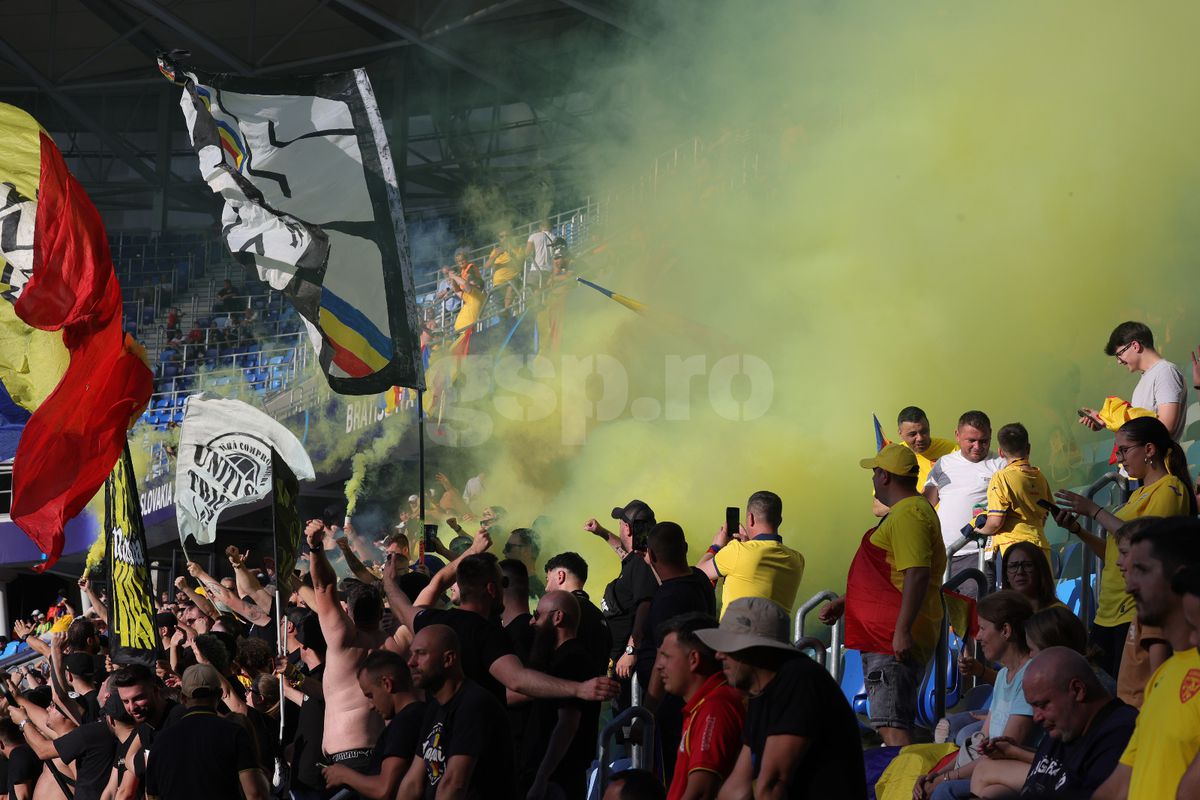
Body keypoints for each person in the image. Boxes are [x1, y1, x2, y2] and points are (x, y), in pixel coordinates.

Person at [820, 443, 946, 746]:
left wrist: (901, 631)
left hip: (891, 640)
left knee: (892, 726)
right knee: (887, 723)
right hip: (884, 636)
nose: (873, 479)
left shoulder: (909, 515)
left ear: (885, 476)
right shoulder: (908, 513)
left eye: (875, 472)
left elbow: (917, 573)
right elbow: (895, 578)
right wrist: (846, 603)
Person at [1052, 416, 1195, 677]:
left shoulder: (1170, 488)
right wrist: (1078, 531)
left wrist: (1094, 511)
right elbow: (1113, 552)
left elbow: (1144, 541)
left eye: (1125, 450)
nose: (1119, 458)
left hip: (1134, 611)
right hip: (1106, 612)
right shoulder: (1136, 495)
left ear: (1149, 449)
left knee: (1128, 697)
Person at [697, 597, 867, 799]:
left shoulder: (799, 680)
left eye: (729, 646)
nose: (719, 655)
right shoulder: (761, 691)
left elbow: (772, 784)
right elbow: (737, 788)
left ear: (758, 649)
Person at [1093, 517, 1200, 800]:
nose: (1130, 586)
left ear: (1180, 575)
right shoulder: (1164, 676)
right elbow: (1120, 783)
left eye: (1142, 569)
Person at [969, 647, 1137, 799]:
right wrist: (1016, 751)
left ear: (1078, 690)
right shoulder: (1065, 727)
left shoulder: (1119, 735)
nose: (1036, 717)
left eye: (1041, 705)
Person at [915, 591, 1037, 799]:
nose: (978, 636)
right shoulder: (1003, 676)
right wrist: (937, 774)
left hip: (1007, 775)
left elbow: (1002, 753)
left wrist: (945, 779)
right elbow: (983, 740)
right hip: (985, 767)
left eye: (982, 628)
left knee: (945, 791)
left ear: (1006, 630)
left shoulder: (1030, 677)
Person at [398, 624, 515, 799]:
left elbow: (454, 784)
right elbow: (413, 782)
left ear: (448, 659)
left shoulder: (473, 704)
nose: (411, 662)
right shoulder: (434, 708)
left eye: (421, 654)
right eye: (411, 653)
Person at [637, 522, 716, 776]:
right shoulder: (700, 579)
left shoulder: (667, 599)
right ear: (685, 548)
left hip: (674, 704)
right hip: (697, 693)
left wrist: (647, 709)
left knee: (676, 773)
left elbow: (664, 659)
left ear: (651, 555)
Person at [144, 664, 269, 800]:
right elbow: (255, 794)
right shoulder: (234, 733)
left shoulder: (161, 740)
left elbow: (152, 795)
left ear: (183, 698)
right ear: (219, 694)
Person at [655, 613, 744, 800]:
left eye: (666, 656)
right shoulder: (704, 705)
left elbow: (701, 792)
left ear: (694, 659)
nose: (659, 666)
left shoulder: (716, 707)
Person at [522, 591, 599, 800]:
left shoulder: (571, 659)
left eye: (537, 615)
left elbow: (567, 725)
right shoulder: (564, 657)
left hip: (559, 781)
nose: (531, 622)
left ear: (558, 617)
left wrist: (541, 778)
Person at [320, 650, 425, 800]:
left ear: (387, 684)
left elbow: (384, 789)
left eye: (370, 695)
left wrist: (344, 775)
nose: (370, 705)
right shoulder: (421, 714)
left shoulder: (404, 723)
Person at [695, 490, 805, 617]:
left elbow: (699, 573)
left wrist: (716, 546)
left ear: (750, 518)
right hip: (776, 635)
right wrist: (748, 544)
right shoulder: (798, 560)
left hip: (735, 635)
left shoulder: (737, 551)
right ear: (779, 520)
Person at [924, 410, 1006, 578]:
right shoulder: (943, 463)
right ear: (957, 435)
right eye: (971, 440)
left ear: (991, 435)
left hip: (979, 556)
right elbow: (925, 504)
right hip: (941, 556)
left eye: (984, 441)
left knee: (975, 605)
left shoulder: (1001, 465)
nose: (977, 447)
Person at [586, 499, 658, 683]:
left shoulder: (642, 564)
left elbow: (645, 604)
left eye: (620, 524)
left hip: (627, 665)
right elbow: (625, 553)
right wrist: (602, 533)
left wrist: (631, 650)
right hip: (619, 662)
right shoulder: (638, 558)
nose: (619, 527)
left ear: (627, 528)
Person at [1079, 321, 1187, 441]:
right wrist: (1105, 420)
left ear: (1135, 346)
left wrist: (1115, 418)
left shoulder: (1165, 372)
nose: (1119, 361)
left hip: (1160, 458)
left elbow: (1166, 427)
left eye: (1119, 354)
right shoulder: (1144, 380)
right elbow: (1138, 428)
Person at [972, 422, 1054, 563]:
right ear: (1028, 448)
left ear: (1000, 452)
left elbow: (995, 522)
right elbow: (1046, 513)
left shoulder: (1001, 477)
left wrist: (978, 531)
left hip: (1014, 551)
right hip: (1041, 547)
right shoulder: (1040, 477)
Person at [873, 406, 957, 515]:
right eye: (913, 434)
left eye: (924, 431)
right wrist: (916, 500)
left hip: (948, 525)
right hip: (914, 526)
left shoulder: (952, 450)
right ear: (900, 433)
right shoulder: (892, 457)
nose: (920, 438)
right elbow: (877, 509)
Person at [544, 551, 613, 677]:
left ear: (560, 576)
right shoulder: (598, 614)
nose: (546, 588)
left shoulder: (563, 612)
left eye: (547, 580)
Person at [504, 528, 546, 599]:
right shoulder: (529, 586)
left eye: (508, 547)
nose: (504, 551)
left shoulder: (532, 590)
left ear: (526, 551)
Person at [526, 219, 555, 288]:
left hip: (535, 268)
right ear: (551, 227)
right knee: (542, 292)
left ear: (540, 227)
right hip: (548, 270)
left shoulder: (533, 236)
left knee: (531, 292)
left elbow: (527, 252)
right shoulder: (555, 238)